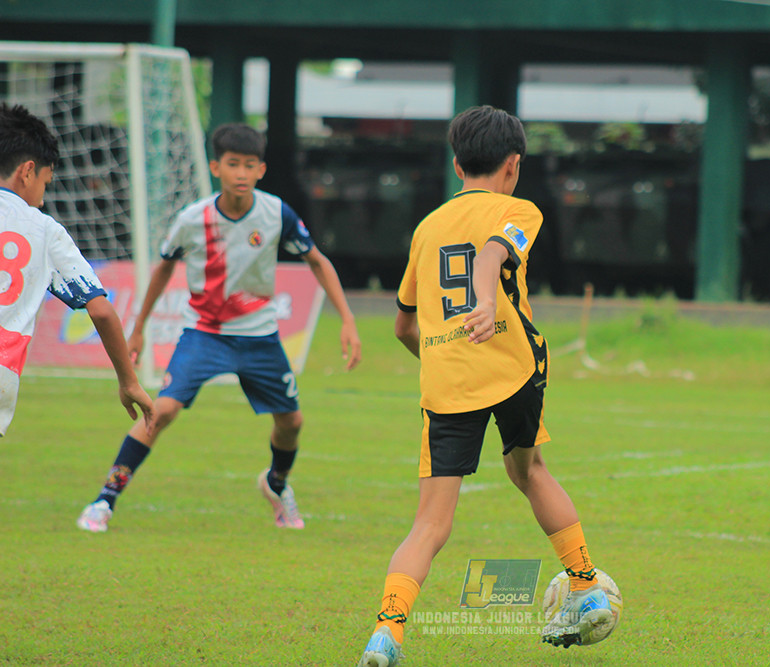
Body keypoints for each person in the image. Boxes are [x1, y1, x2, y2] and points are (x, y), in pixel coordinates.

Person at [357, 106, 612, 667]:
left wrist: (439, 353)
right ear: (513, 165)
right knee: (530, 471)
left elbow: (402, 326)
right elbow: (496, 250)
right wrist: (488, 299)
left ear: (456, 165)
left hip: (447, 382)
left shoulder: (426, 228)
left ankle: (386, 633)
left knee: (430, 524)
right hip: (513, 369)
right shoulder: (519, 209)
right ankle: (586, 586)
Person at [76, 123, 361, 533]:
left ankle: (276, 484)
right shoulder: (193, 218)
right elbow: (164, 268)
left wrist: (347, 318)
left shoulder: (277, 213)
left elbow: (316, 260)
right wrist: (138, 327)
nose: (241, 173)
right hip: (205, 334)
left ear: (261, 170)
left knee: (292, 423)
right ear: (216, 167)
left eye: (249, 165)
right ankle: (105, 499)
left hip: (260, 337)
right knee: (162, 410)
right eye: (232, 164)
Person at [0, 103, 153, 437]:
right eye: (46, 183)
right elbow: (101, 311)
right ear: (27, 171)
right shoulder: (43, 229)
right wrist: (129, 382)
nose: (42, 199)